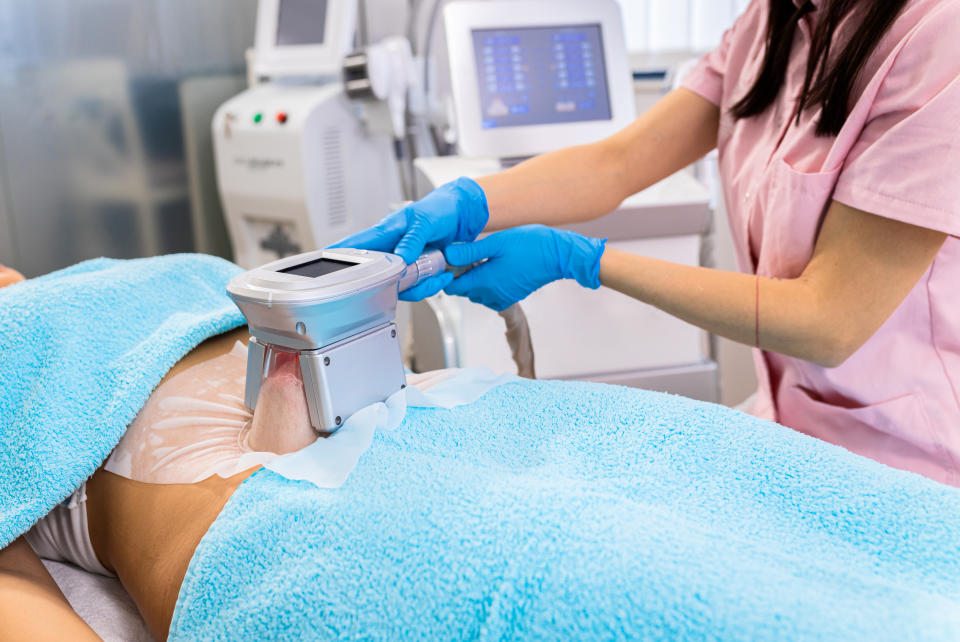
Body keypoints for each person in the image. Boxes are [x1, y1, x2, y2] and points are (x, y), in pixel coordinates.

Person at [337, 0, 960, 486]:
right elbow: (621, 161)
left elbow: (830, 318)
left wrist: (582, 259)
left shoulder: (938, 37)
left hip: (912, 464)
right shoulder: (775, 20)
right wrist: (469, 199)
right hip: (794, 432)